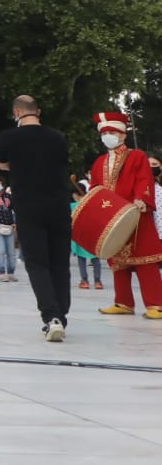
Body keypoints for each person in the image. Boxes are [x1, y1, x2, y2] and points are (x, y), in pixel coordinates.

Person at [86, 110, 162, 319]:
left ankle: (157, 304)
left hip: (136, 215)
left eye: (111, 132)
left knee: (145, 260)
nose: (107, 136)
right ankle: (123, 302)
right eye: (104, 133)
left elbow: (144, 180)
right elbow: (95, 188)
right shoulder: (99, 162)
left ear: (123, 135)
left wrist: (142, 199)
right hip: (112, 219)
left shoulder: (136, 156)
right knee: (118, 262)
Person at [71, 183, 103, 291]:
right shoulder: (92, 204)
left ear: (75, 194)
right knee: (95, 260)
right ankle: (98, 282)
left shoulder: (72, 206)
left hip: (80, 235)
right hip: (92, 235)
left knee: (81, 259)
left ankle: (84, 281)